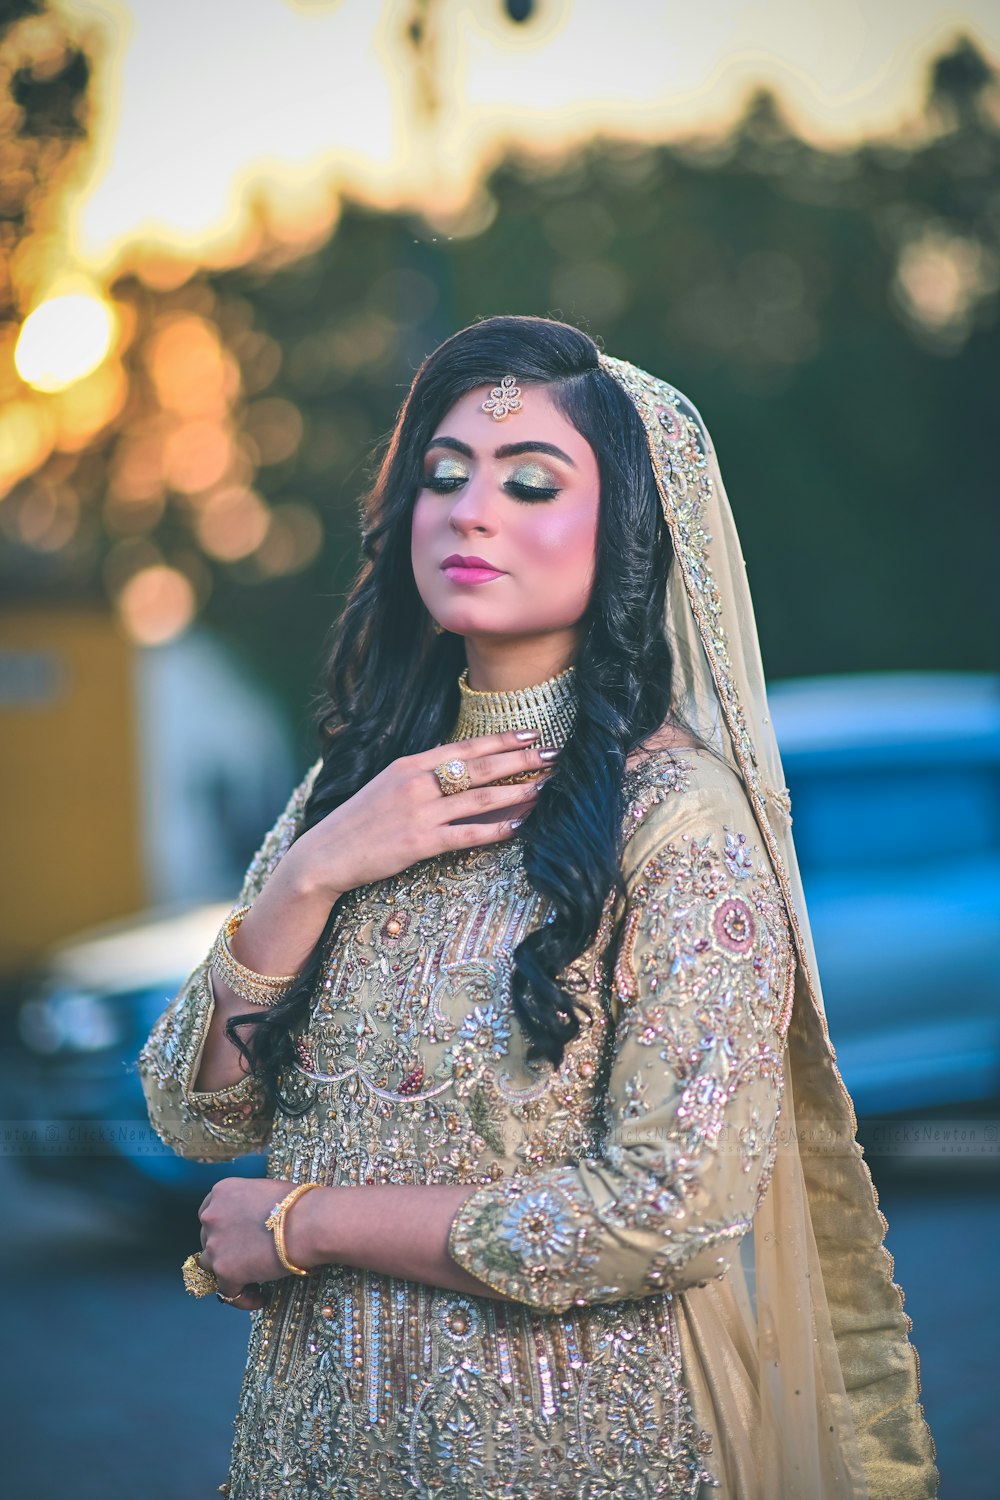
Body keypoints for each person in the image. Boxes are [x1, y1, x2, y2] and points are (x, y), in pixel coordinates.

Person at [138, 315, 938, 1499]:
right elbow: (193, 1113)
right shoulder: (354, 786)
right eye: (442, 475)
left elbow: (665, 1213)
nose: (470, 510)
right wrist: (311, 873)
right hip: (311, 1452)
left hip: (568, 1449)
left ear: (620, 532)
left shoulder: (677, 822)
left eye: (529, 483)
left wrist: (307, 1221)